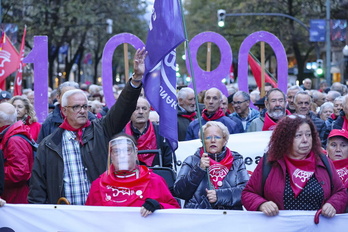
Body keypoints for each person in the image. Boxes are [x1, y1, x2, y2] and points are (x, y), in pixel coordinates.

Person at [28, 48, 147, 205]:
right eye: (76, 107)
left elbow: (123, 108)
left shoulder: (102, 129)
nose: (82, 111)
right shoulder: (49, 145)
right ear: (64, 110)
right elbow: (38, 189)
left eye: (85, 106)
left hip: (101, 213)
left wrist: (136, 78)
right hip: (65, 218)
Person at [242, 115, 348, 217]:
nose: (305, 140)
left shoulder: (323, 161)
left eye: (308, 134)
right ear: (285, 139)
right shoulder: (270, 162)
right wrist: (261, 204)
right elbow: (248, 193)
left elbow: (341, 192)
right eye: (298, 135)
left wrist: (333, 204)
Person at [85, 134, 180, 217]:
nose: (122, 155)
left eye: (127, 150)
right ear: (111, 156)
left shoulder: (154, 181)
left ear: (135, 153)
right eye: (116, 151)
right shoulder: (99, 185)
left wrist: (159, 206)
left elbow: (176, 212)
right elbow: (87, 218)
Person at [174, 121, 249, 209]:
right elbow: (179, 192)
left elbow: (246, 192)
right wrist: (198, 169)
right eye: (208, 137)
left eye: (217, 137)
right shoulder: (191, 160)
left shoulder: (236, 161)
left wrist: (220, 196)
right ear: (202, 141)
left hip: (229, 218)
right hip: (199, 217)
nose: (213, 140)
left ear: (224, 141)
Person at [124, 97, 174, 168]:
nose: (141, 112)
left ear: (149, 111)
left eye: (144, 108)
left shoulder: (161, 132)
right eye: (136, 108)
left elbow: (167, 164)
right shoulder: (122, 134)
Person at [0, 103, 33, 203]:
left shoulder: (15, 140)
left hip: (14, 198)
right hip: (12, 196)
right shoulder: (12, 134)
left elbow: (19, 173)